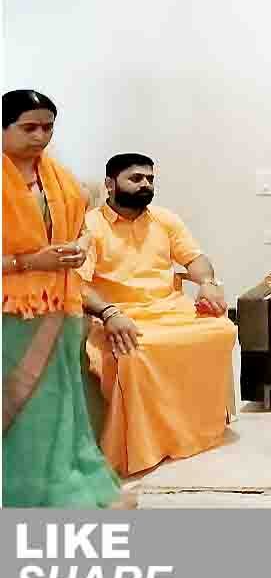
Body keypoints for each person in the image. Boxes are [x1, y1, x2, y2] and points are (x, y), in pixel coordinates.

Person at [77, 153, 238, 477]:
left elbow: (195, 259)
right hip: (121, 315)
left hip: (170, 308)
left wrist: (207, 283)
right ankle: (145, 444)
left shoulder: (164, 219)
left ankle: (195, 429)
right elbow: (77, 283)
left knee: (221, 329)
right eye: (136, 178)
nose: (145, 185)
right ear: (110, 184)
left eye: (149, 179)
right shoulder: (90, 226)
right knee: (135, 350)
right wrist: (109, 313)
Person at [2, 89, 119, 507]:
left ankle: (60, 483)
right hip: (12, 313)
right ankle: (21, 490)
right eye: (28, 127)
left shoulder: (63, 181)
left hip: (61, 306)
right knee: (26, 403)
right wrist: (29, 262)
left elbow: (83, 229)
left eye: (47, 127)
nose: (40, 136)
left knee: (61, 404)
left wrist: (80, 247)